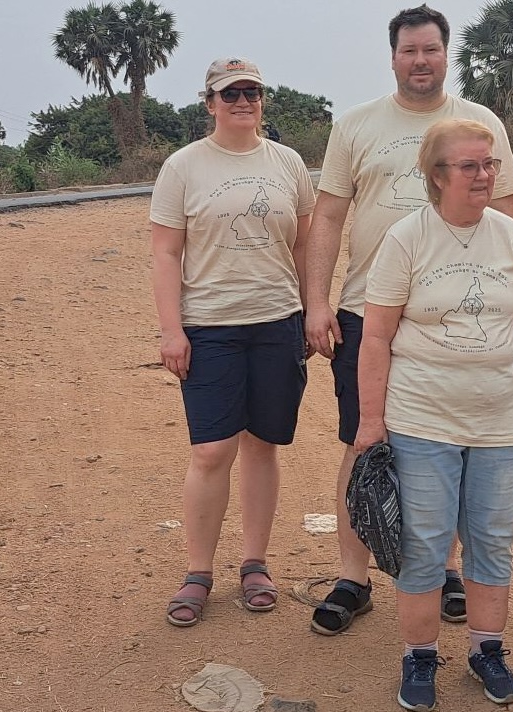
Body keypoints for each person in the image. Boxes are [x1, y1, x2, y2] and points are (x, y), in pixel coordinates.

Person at [303, 3, 513, 635]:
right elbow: (327, 217)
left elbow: (506, 217)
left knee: (451, 444)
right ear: (393, 56)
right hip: (367, 314)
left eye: (431, 50)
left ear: (445, 54)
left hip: (460, 318)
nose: (420, 61)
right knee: (364, 439)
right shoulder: (356, 127)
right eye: (409, 51)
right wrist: (317, 303)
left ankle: (444, 569)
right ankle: (353, 575)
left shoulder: (480, 124)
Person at [354, 118, 513, 712]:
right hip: (423, 417)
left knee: (493, 539)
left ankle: (488, 650)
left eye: (489, 164)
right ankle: (419, 656)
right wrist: (370, 421)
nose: (486, 175)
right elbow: (376, 337)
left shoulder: (508, 235)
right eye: (470, 166)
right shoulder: (406, 238)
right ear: (437, 176)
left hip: (498, 417)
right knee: (424, 543)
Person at [149, 57, 315, 627]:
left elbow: (306, 248)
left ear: (263, 99)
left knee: (263, 444)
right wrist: (172, 330)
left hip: (277, 321)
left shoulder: (288, 164)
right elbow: (166, 253)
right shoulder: (184, 167)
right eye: (230, 93)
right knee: (212, 449)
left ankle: (254, 563)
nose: (242, 101)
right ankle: (199, 571)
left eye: (252, 92)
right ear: (210, 102)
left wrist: (312, 310)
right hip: (211, 325)